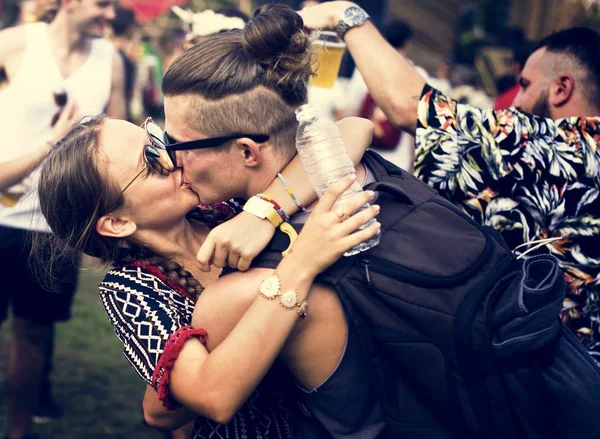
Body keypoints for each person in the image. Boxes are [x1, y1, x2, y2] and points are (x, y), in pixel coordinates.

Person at [37, 110, 379, 439]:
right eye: (151, 161)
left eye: (158, 140)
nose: (171, 158)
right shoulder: (130, 289)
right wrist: (301, 265)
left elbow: (353, 129)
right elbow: (214, 397)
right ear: (117, 223)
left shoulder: (224, 206)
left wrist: (262, 213)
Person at [300, 2, 600, 361]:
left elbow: (411, 107)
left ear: (561, 88)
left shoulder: (568, 147)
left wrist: (343, 13)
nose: (514, 102)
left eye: (525, 85)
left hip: (548, 380)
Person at [0, 0, 125, 436]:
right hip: (0, 216)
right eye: (103, 5)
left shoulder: (110, 61)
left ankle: (19, 430)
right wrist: (50, 142)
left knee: (33, 336)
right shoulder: (14, 45)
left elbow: (117, 142)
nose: (110, 16)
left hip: (54, 227)